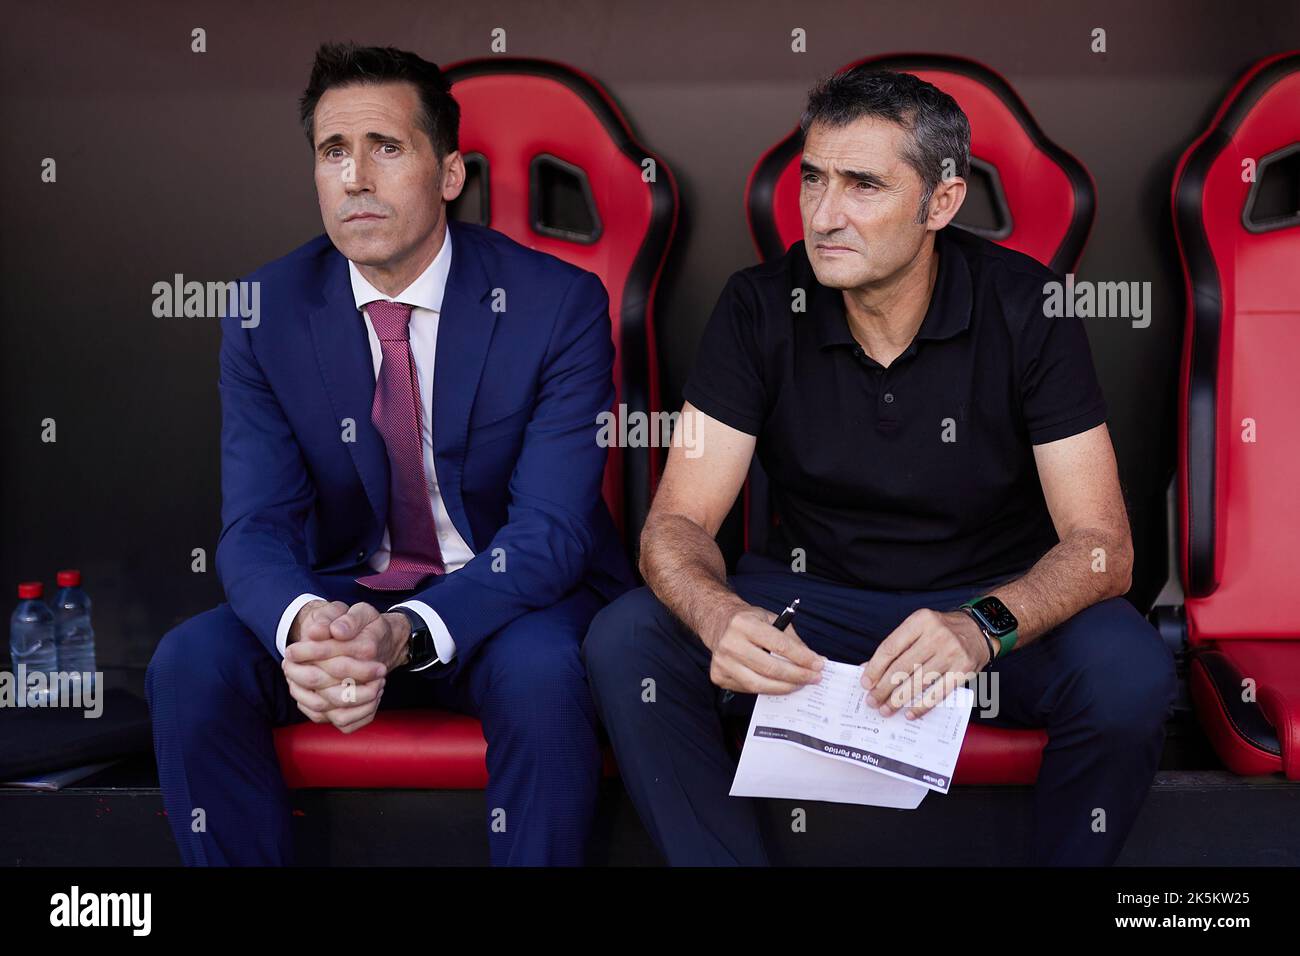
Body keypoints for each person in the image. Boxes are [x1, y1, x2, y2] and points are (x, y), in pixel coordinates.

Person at [583, 67, 1176, 866]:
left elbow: (1104, 548)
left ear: (942, 202)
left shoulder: (1027, 305)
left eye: (863, 185)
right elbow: (676, 524)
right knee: (630, 638)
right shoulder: (761, 304)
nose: (825, 216)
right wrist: (717, 616)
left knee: (1129, 669)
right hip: (815, 602)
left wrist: (982, 627)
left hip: (989, 604)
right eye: (814, 180)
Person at [145, 42, 633, 866]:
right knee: (190, 662)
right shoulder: (266, 310)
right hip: (345, 594)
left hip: (507, 598)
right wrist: (308, 628)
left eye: (387, 148)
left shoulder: (557, 305)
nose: (355, 178)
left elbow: (553, 531)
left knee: (545, 677)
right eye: (333, 151)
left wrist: (404, 633)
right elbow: (255, 526)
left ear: (449, 176)